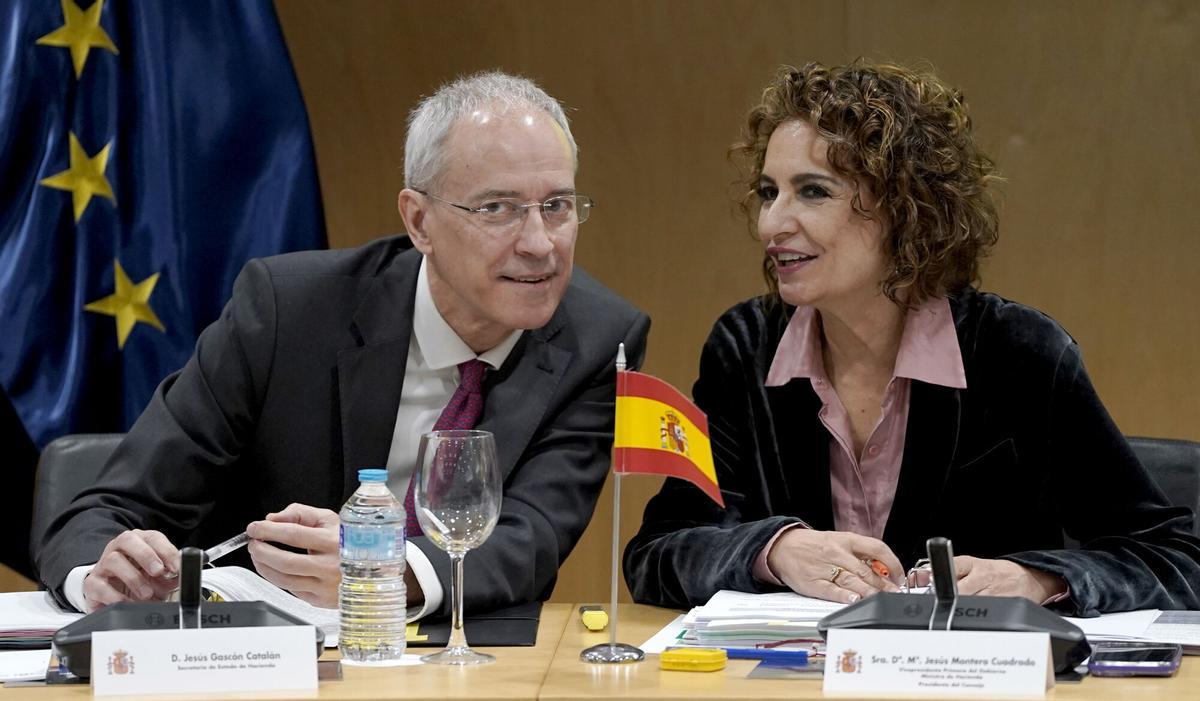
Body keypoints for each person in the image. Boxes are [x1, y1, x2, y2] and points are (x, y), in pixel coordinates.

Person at [36, 71, 651, 617]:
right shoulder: (288, 310)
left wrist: (380, 570)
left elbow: (531, 537)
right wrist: (101, 574)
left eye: (558, 206)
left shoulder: (600, 340)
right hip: (253, 660)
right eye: (498, 209)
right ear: (419, 222)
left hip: (463, 659)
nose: (540, 243)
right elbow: (106, 509)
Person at [624, 60, 1200, 617]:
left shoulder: (1019, 355)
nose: (771, 223)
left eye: (813, 191)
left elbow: (1175, 561)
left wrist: (1036, 579)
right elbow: (658, 553)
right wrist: (774, 551)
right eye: (769, 191)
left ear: (905, 208)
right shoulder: (746, 347)